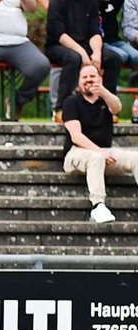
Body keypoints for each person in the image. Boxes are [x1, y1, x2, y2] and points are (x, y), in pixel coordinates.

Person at [62, 65, 138, 223]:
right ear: (79, 81)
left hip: (104, 152)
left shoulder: (106, 100)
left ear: (100, 79)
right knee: (96, 158)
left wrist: (102, 91)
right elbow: (76, 136)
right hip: (77, 153)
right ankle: (98, 206)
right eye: (85, 77)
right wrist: (100, 152)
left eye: (92, 76)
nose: (89, 80)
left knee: (135, 158)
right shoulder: (71, 102)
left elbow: (117, 107)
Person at [45, 0, 122, 123]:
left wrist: (97, 53)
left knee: (113, 58)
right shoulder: (57, 3)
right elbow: (59, 34)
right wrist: (83, 54)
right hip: (59, 45)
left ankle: (107, 108)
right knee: (74, 59)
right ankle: (61, 109)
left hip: (85, 45)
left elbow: (95, 33)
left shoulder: (92, 3)